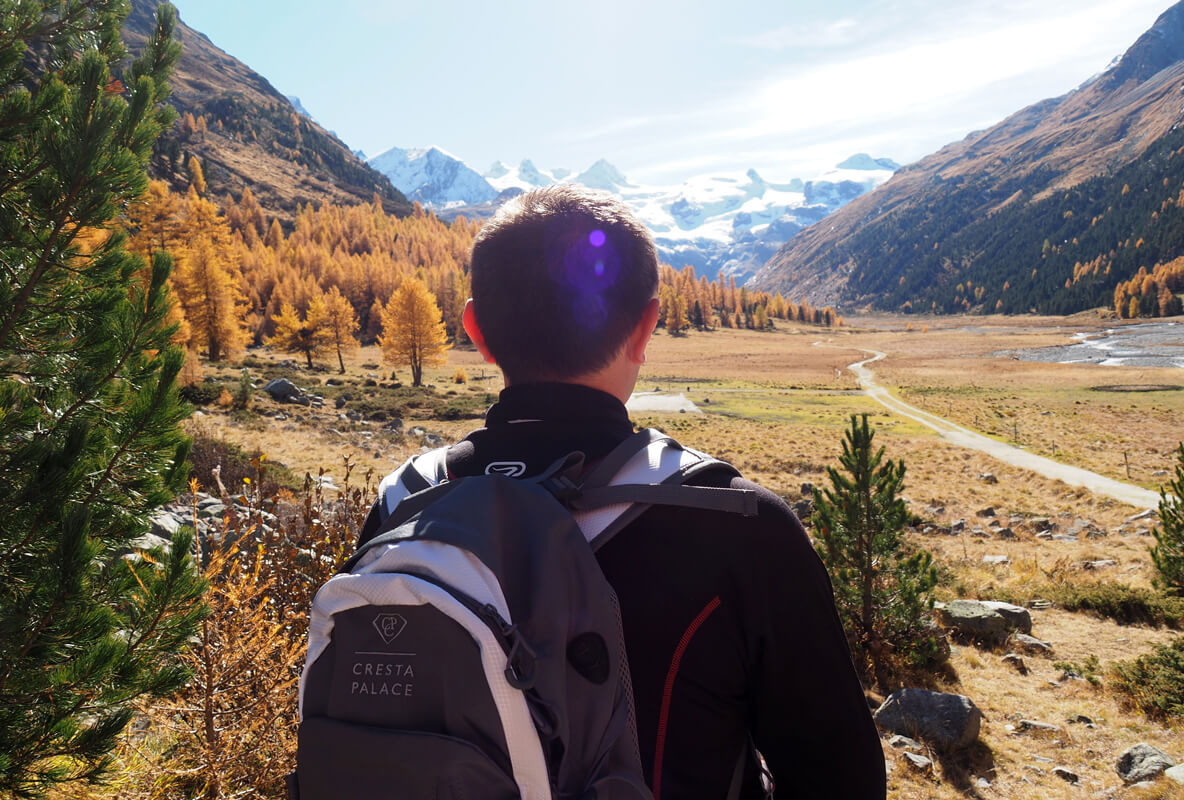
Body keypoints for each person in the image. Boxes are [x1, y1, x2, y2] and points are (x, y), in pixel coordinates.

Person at [359, 184, 886, 799]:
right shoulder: (738, 525)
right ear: (646, 327)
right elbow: (842, 778)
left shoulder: (402, 507)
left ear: (475, 329)